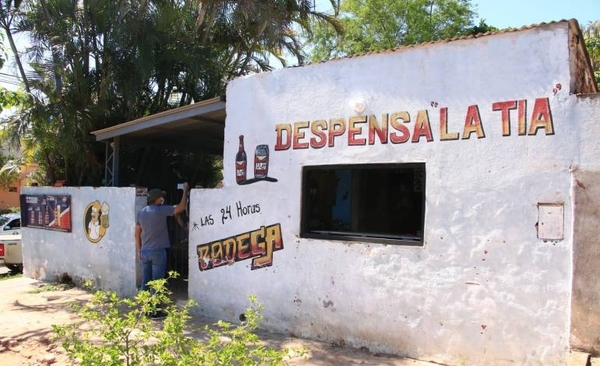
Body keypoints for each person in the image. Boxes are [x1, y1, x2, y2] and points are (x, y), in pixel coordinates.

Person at [135, 183, 189, 302]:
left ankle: (146, 308)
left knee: (146, 282)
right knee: (157, 282)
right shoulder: (161, 210)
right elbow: (181, 207)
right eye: (161, 197)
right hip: (158, 251)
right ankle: (155, 310)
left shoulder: (141, 212)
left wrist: (139, 250)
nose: (162, 199)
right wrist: (185, 191)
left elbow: (137, 234)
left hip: (145, 251)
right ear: (157, 199)